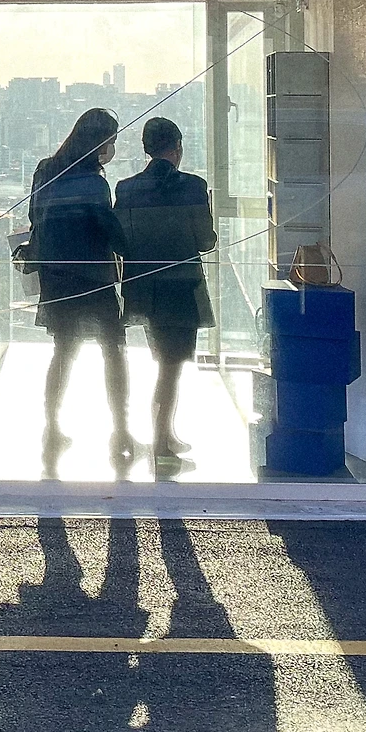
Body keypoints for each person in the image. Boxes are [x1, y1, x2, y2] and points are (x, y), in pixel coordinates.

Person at [28, 107, 131, 468]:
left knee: (63, 352)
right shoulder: (94, 183)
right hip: (93, 279)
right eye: (110, 142)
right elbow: (109, 230)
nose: (111, 149)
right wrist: (129, 244)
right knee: (113, 351)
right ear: (99, 143)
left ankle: (51, 427)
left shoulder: (45, 170)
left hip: (54, 276)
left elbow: (34, 218)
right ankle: (120, 429)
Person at [114, 116, 217, 471]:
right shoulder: (193, 187)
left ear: (147, 149)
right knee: (171, 366)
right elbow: (206, 241)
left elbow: (121, 241)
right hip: (181, 287)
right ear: (177, 147)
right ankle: (161, 442)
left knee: (165, 362)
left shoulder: (126, 189)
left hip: (143, 289)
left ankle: (165, 434)